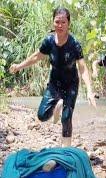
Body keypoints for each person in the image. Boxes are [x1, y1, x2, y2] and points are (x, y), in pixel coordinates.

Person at [9, 7, 96, 147]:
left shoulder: (74, 44)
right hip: (55, 83)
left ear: (69, 24)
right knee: (42, 116)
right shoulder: (49, 42)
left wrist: (90, 90)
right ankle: (58, 104)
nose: (60, 25)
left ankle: (66, 150)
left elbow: (83, 68)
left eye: (63, 22)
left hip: (71, 84)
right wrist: (19, 66)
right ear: (53, 23)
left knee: (66, 118)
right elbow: (36, 57)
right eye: (57, 22)